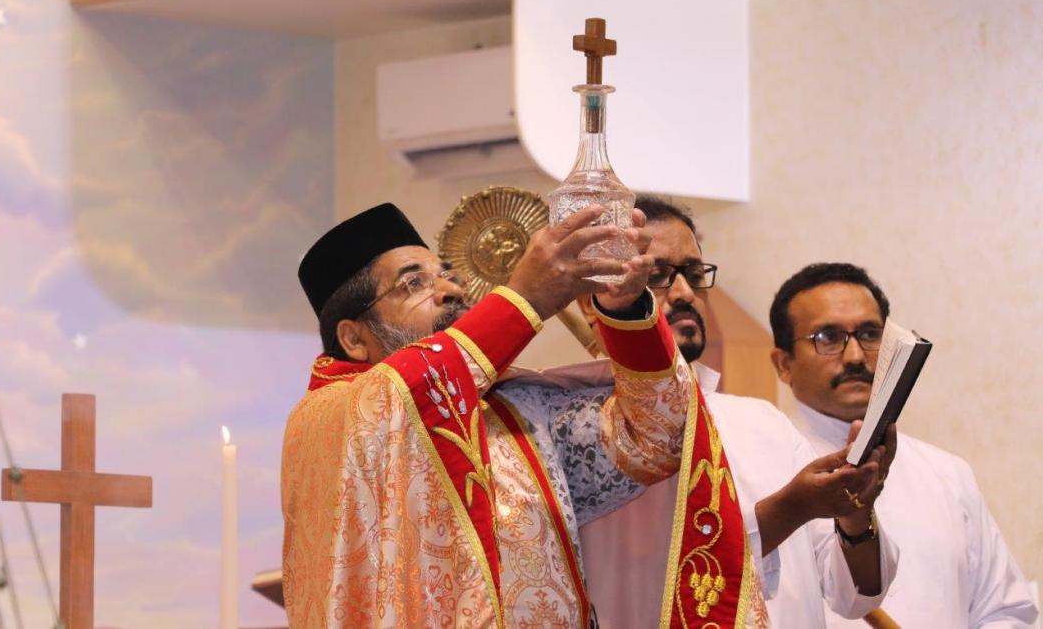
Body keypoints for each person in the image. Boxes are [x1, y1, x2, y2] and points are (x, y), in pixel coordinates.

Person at [281, 202, 758, 627]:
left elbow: (658, 437)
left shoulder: (513, 409)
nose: (448, 289)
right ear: (353, 339)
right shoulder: (330, 418)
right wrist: (525, 299)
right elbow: (405, 392)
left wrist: (625, 309)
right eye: (414, 283)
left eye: (446, 273)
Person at [575, 196, 899, 627]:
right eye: (657, 275)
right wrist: (792, 508)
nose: (685, 293)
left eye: (694, 274)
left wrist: (856, 513)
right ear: (592, 300)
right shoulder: (584, 430)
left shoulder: (763, 423)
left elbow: (853, 595)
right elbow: (653, 578)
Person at [769, 262, 1039, 628]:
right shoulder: (758, 471)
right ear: (783, 364)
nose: (855, 356)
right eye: (828, 337)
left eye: (869, 334)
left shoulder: (947, 473)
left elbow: (1006, 611)